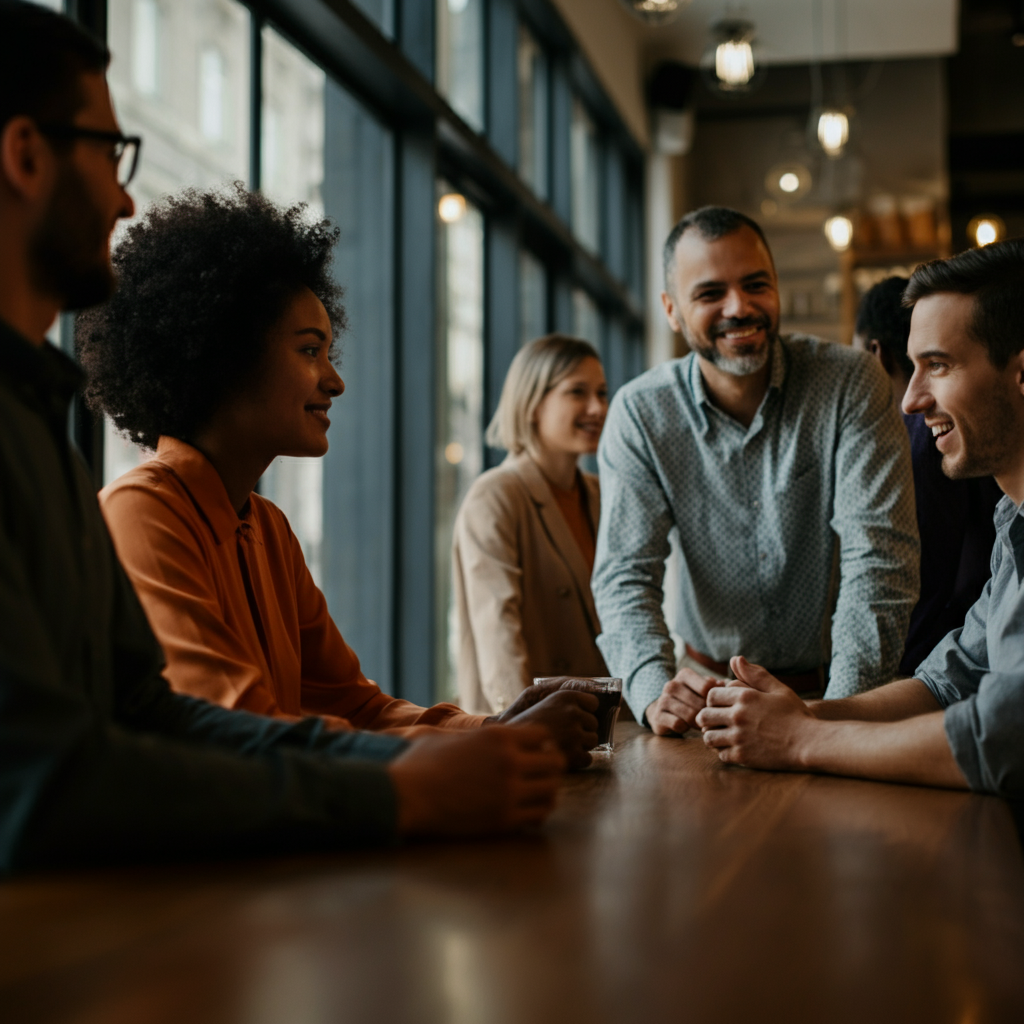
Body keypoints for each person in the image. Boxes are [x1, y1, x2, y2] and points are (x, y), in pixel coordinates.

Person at [0, 0, 568, 871]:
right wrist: (402, 784)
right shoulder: (132, 504)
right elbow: (61, 774)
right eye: (110, 152)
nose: (121, 195)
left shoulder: (57, 432)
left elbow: (155, 715)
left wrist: (473, 743)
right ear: (25, 152)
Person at [78, 185, 598, 766]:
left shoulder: (268, 527)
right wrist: (499, 739)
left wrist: (501, 725)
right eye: (309, 351)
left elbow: (359, 708)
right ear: (224, 355)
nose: (335, 380)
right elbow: (239, 729)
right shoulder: (141, 513)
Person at [697, 238, 1024, 830]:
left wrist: (800, 739)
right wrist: (809, 715)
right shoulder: (1013, 520)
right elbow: (949, 679)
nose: (910, 398)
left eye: (939, 365)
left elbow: (1001, 736)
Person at [592, 206, 919, 734]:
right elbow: (626, 575)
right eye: (710, 293)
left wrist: (832, 720)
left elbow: (879, 560)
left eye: (755, 284)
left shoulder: (852, 383)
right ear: (672, 310)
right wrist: (653, 692)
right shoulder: (640, 414)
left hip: (833, 694)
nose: (739, 307)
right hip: (703, 706)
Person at [453, 335, 610, 714]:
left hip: (599, 724)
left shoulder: (599, 493)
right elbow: (499, 632)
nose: (597, 408)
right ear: (532, 404)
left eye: (602, 393)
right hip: (527, 729)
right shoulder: (496, 495)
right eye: (577, 392)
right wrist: (527, 723)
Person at [854, 276, 1000, 673]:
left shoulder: (921, 436)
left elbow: (923, 580)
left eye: (937, 364)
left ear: (875, 353)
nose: (913, 400)